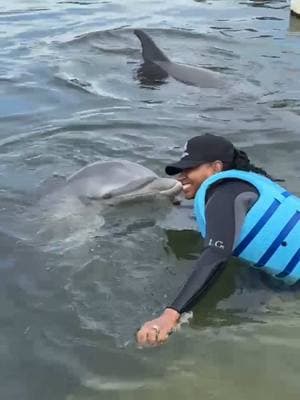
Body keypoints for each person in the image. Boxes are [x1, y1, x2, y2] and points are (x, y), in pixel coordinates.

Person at [136, 133, 300, 346]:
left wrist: (170, 315)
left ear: (216, 168)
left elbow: (216, 253)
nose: (181, 176)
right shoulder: (247, 184)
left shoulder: (223, 192)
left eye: (190, 168)